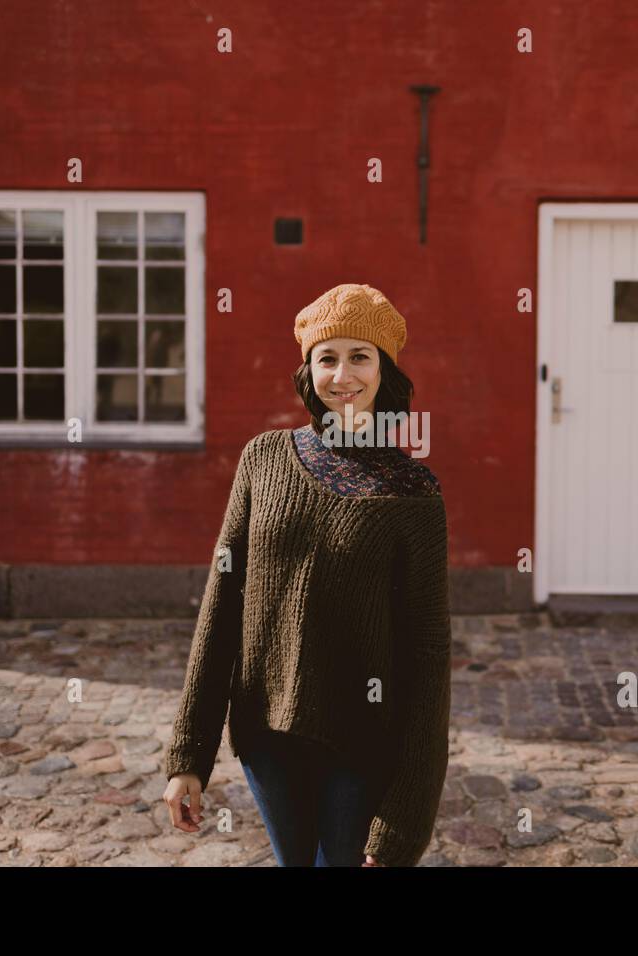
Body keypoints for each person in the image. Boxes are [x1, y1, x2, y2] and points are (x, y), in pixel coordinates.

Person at [161, 283, 452, 867]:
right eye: (327, 358)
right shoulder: (263, 460)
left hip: (363, 741)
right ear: (308, 370)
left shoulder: (414, 495)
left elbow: (427, 660)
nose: (342, 375)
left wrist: (407, 818)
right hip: (266, 734)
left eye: (360, 356)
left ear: (385, 370)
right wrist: (189, 755)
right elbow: (222, 604)